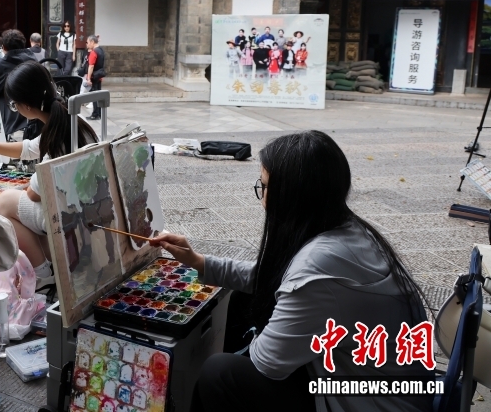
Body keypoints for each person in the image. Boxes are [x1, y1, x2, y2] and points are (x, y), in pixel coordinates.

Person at [149, 131, 431, 412]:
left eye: (265, 187)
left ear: (293, 197)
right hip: (367, 382)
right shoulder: (345, 229)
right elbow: (270, 276)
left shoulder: (318, 269)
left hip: (372, 403)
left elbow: (266, 362)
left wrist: (268, 327)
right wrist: (198, 261)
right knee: (244, 299)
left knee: (220, 374)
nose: (262, 199)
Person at [0, 62, 97, 289]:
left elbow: (34, 194)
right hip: (82, 210)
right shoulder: (68, 121)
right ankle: (50, 263)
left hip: (70, 216)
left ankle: (41, 272)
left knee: (5, 202)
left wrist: (23, 190)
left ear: (25, 105)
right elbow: (28, 148)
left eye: (13, 105)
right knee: (19, 202)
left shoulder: (58, 136)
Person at [0, 29, 36, 135]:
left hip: (12, 109)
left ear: (4, 47)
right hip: (31, 105)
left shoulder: (4, 63)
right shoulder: (32, 58)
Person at [80, 35, 106, 120]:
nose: (87, 44)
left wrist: (89, 78)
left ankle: (95, 114)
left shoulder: (94, 52)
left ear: (92, 42)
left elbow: (91, 66)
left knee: (94, 95)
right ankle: (99, 113)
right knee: (99, 95)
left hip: (94, 76)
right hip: (99, 75)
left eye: (87, 42)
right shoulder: (101, 50)